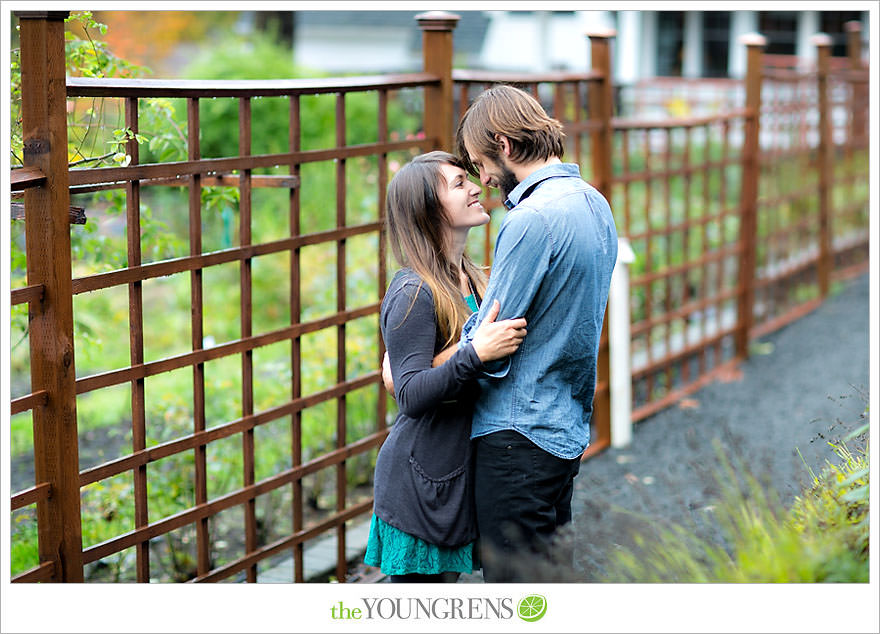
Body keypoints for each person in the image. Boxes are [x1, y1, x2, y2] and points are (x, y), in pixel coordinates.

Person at [454, 84, 618, 582]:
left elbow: (492, 343)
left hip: (514, 435)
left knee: (514, 597)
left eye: (481, 163)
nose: (482, 178)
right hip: (563, 427)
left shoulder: (530, 219)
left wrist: (429, 364)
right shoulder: (595, 203)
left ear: (503, 145)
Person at [365, 151, 528, 583]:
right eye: (458, 183)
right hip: (422, 481)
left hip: (455, 474)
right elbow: (412, 394)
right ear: (427, 208)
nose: (476, 186)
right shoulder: (414, 290)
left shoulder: (473, 278)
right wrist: (475, 354)